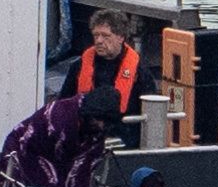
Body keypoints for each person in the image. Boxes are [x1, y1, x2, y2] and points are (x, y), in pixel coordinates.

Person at [0, 87, 123, 187]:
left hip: (67, 162)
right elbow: (32, 145)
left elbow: (86, 165)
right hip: (30, 152)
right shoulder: (61, 116)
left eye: (106, 122)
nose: (102, 125)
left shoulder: (96, 131)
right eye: (99, 120)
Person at [58, 9, 157, 147]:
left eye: (105, 36)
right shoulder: (79, 67)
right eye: (96, 35)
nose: (99, 41)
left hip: (124, 139)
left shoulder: (140, 73)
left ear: (121, 37)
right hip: (85, 138)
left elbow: (149, 115)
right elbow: (64, 104)